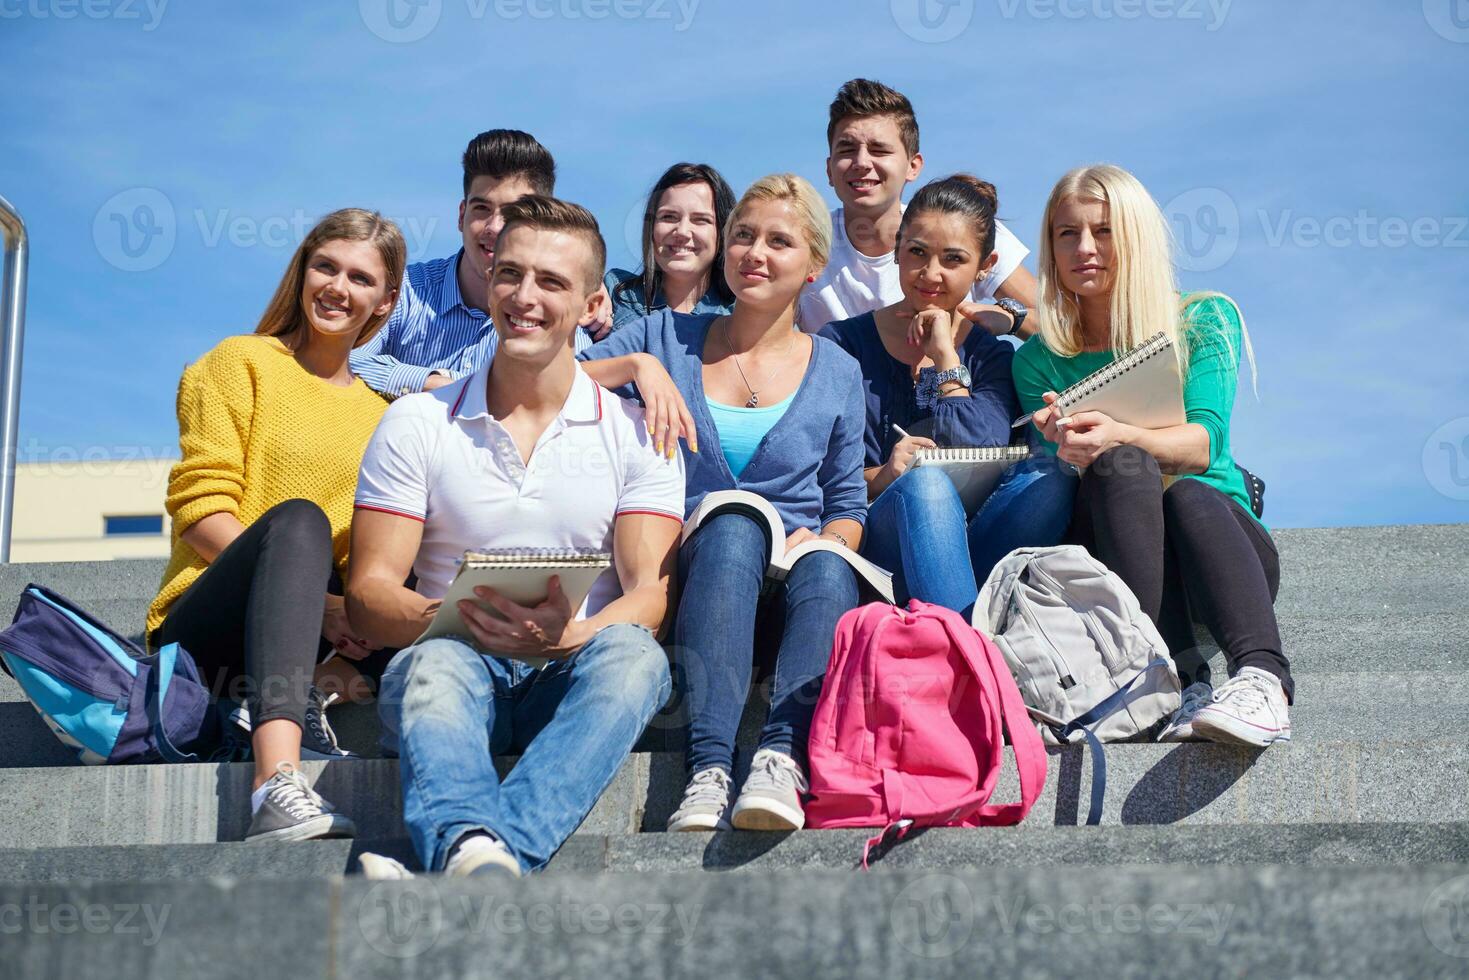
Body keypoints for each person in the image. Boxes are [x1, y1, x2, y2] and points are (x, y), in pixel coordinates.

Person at [347, 196, 685, 878]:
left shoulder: (637, 432)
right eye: (510, 274)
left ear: (593, 305)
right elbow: (367, 595)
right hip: (451, 668)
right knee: (434, 665)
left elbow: (650, 595)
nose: (523, 297)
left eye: (551, 283)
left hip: (573, 673)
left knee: (637, 660)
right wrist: (454, 621)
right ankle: (485, 855)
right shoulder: (417, 421)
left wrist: (566, 639)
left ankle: (479, 853)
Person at [579, 173, 867, 833]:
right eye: (742, 236)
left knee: (827, 562)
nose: (753, 253)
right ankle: (707, 770)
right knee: (733, 522)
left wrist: (827, 539)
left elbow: (849, 500)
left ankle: (780, 757)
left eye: (777, 241)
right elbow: (545, 379)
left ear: (814, 267)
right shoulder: (663, 336)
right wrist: (635, 368)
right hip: (691, 572)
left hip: (791, 587)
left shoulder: (837, 370)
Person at [147, 208, 406, 843]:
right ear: (301, 272)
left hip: (319, 636)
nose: (338, 288)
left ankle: (312, 691)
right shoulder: (241, 363)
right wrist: (317, 604)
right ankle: (274, 785)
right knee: (298, 523)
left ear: (385, 301)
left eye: (360, 278)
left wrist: (343, 610)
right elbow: (201, 511)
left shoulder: (386, 416)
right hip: (208, 632)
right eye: (326, 266)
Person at [1014, 164, 1292, 748]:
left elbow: (1202, 445)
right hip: (1114, 549)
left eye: (1104, 230)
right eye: (1067, 233)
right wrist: (1063, 451)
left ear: (1135, 236)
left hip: (1216, 543)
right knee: (1121, 465)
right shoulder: (1036, 360)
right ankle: (1160, 677)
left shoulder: (1203, 318)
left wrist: (1118, 429)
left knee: (1183, 488)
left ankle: (1264, 678)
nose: (1085, 248)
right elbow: (1066, 485)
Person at [821, 175, 1077, 612]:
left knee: (1054, 473)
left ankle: (961, 624)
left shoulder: (990, 356)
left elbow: (976, 447)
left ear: (984, 266)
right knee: (926, 487)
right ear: (897, 247)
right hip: (884, 538)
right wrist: (883, 475)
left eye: (953, 259)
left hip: (978, 537)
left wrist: (944, 358)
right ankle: (973, 658)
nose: (930, 273)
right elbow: (822, 478)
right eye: (917, 252)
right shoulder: (841, 345)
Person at [349, 129, 609, 398]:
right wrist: (436, 384)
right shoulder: (407, 290)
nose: (494, 227)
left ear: (541, 223)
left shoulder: (560, 320)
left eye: (511, 213)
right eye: (481, 209)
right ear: (462, 215)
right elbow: (345, 358)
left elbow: (565, 391)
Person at [796, 78, 1038, 336]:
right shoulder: (799, 245)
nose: (862, 162)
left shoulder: (965, 225)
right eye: (847, 150)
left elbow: (1060, 325)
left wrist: (1009, 316)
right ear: (829, 169)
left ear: (913, 166)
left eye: (879, 150)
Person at [604, 162, 736, 331]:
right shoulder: (615, 292)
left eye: (700, 220)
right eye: (669, 217)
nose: (682, 232)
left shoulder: (739, 316)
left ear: (724, 231)